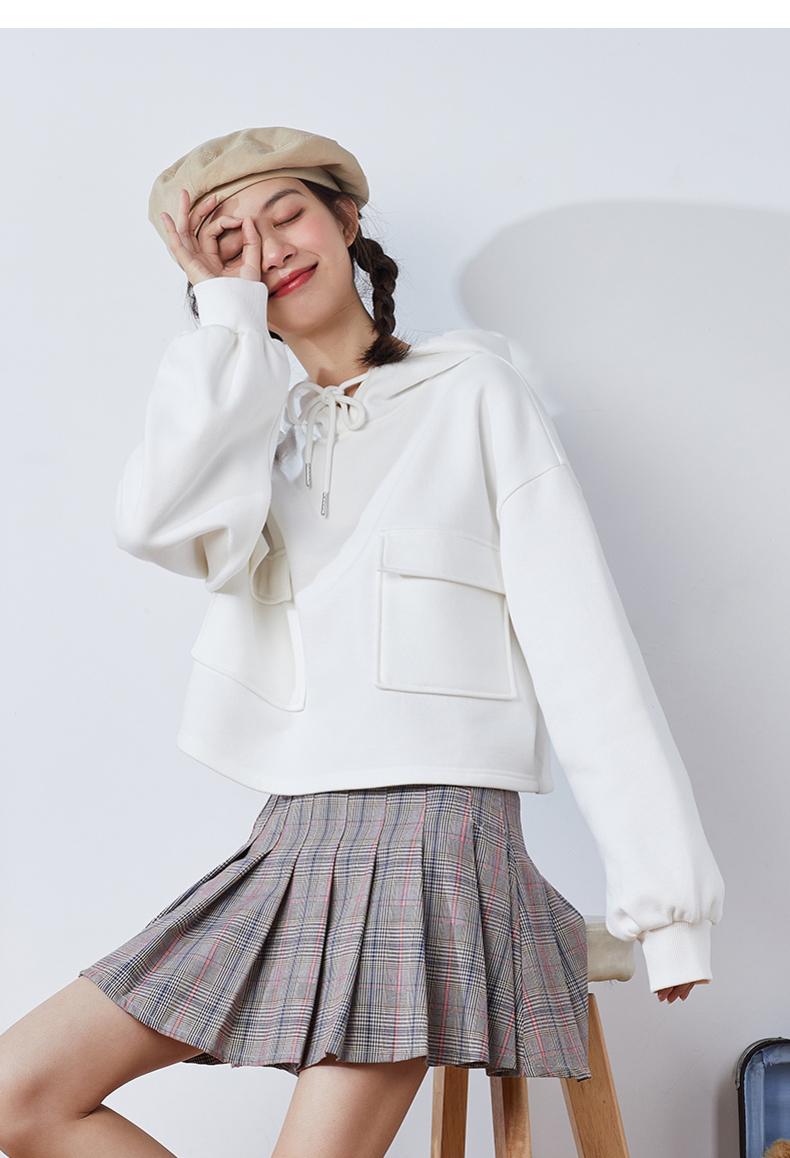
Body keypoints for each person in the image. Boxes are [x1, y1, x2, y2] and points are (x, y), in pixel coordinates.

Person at [0, 126, 724, 1158]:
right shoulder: (252, 436)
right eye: (230, 240)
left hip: (437, 842)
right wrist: (224, 318)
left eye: (286, 213)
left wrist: (669, 905)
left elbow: (585, 648)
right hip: (290, 839)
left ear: (345, 221)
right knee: (20, 1098)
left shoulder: (473, 394)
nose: (267, 249)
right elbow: (154, 524)